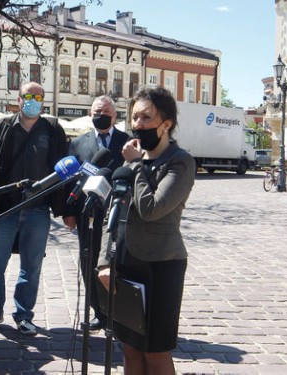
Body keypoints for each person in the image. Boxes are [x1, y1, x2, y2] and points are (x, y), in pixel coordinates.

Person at [97, 86, 195, 374]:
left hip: (161, 265)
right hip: (126, 262)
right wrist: (105, 259)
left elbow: (152, 209)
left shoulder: (179, 162)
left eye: (146, 118)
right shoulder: (132, 162)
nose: (138, 125)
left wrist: (136, 165)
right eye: (134, 117)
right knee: (130, 348)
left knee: (155, 352)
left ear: (166, 123)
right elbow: (110, 216)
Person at [0, 82, 68, 335]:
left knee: (31, 265)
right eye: (29, 96)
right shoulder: (1, 127)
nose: (34, 100)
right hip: (5, 208)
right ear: (19, 98)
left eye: (39, 96)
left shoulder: (52, 129)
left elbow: (60, 166)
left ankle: (24, 314)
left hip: (38, 209)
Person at [63, 95, 129, 331]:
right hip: (86, 214)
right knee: (88, 261)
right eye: (97, 111)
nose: (101, 115)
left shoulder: (127, 142)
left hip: (116, 214)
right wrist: (67, 211)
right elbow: (70, 181)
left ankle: (117, 312)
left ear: (115, 115)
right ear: (90, 114)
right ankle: (98, 311)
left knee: (113, 262)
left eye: (106, 111)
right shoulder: (77, 143)